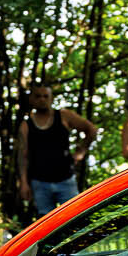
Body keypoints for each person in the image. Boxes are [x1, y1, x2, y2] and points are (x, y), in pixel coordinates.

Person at [15, 81, 99, 220]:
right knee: (46, 223)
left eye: (45, 96)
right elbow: (23, 156)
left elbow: (91, 130)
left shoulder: (64, 116)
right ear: (31, 99)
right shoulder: (26, 125)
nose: (42, 99)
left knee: (75, 218)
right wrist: (23, 182)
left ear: (51, 98)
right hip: (40, 183)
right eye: (38, 96)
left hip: (65, 179)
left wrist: (81, 152)